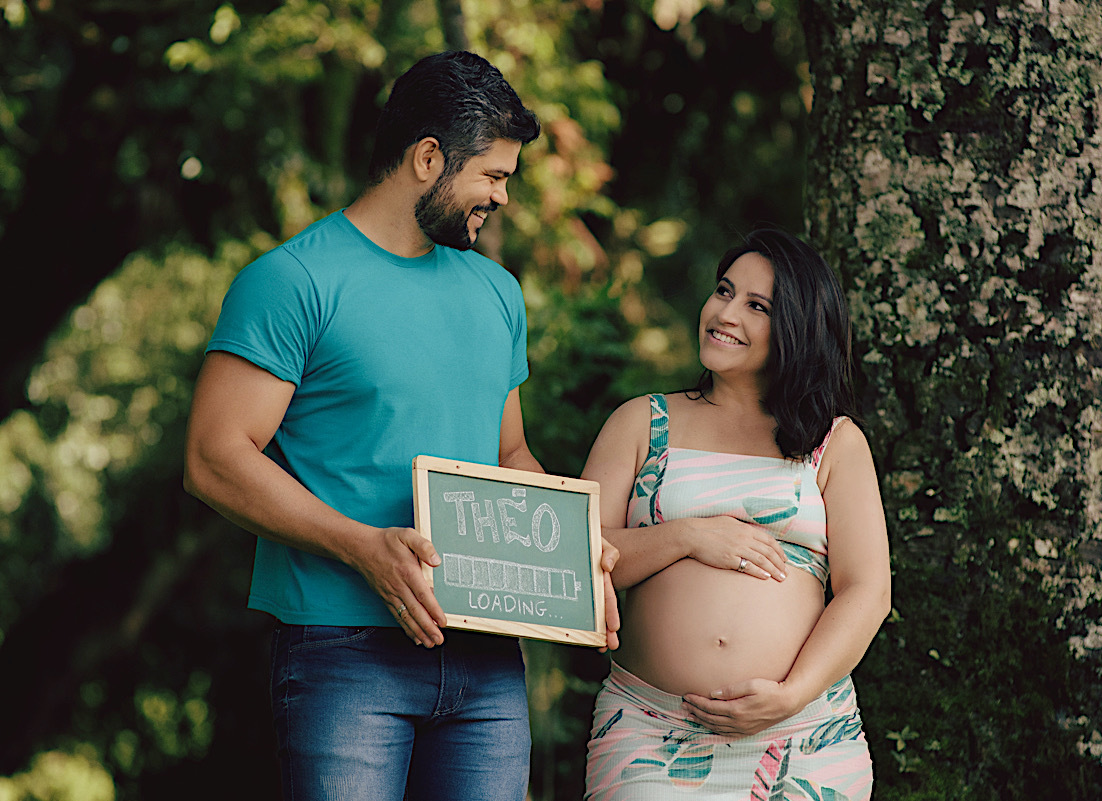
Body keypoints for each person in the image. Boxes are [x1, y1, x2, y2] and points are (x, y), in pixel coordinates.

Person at [183, 50, 618, 801]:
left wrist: (576, 560)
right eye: (494, 175)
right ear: (427, 158)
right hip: (344, 653)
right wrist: (364, 548)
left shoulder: (497, 292)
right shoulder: (294, 281)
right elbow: (215, 457)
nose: (503, 198)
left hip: (487, 660)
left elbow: (509, 450)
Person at [580, 228, 890, 800]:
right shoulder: (641, 423)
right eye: (724, 292)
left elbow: (867, 591)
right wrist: (689, 536)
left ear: (796, 328)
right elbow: (576, 558)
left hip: (803, 733)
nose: (725, 313)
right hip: (650, 731)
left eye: (756, 306)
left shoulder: (834, 443)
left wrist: (792, 693)